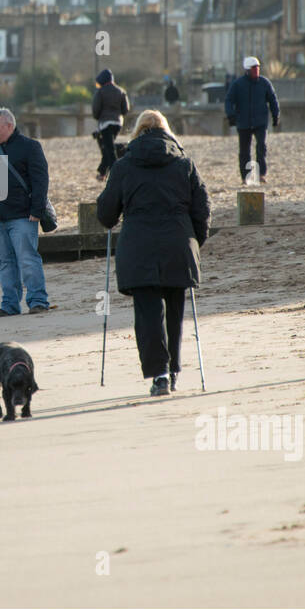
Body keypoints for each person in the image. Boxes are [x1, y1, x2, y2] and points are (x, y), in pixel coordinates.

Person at [96, 110, 210, 396]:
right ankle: (172, 371)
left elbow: (107, 214)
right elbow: (203, 209)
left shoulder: (124, 166)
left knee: (148, 315)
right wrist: (194, 241)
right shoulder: (184, 163)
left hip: (138, 249)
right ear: (166, 131)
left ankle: (159, 375)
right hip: (177, 245)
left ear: (137, 131)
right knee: (174, 312)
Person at [0, 107, 51, 317]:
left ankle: (38, 301)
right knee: (5, 262)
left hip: (24, 215)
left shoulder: (30, 147)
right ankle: (10, 305)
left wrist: (37, 210)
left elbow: (40, 181)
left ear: (9, 126)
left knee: (27, 259)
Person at [224, 56, 280, 184]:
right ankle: (246, 177)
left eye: (258, 68)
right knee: (244, 151)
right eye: (253, 69)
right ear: (247, 70)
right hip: (243, 123)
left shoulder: (265, 83)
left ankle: (261, 174)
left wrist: (275, 115)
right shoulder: (238, 84)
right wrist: (231, 115)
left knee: (261, 147)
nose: (256, 71)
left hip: (260, 122)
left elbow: (273, 99)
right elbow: (229, 100)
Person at [92, 68, 129, 182]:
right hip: (118, 123)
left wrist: (98, 117)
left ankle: (115, 173)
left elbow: (96, 109)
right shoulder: (121, 91)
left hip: (105, 123)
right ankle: (102, 172)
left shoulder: (101, 91)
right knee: (108, 147)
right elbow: (125, 109)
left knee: (109, 149)